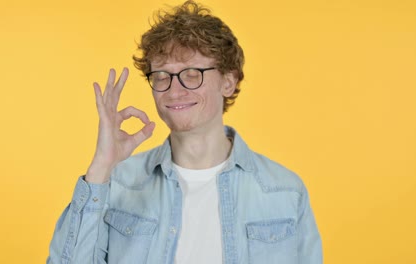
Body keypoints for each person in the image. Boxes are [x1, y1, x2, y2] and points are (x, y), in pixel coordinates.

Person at [47, 1, 322, 263]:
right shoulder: (115, 183)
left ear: (228, 82)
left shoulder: (284, 191)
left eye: (192, 73)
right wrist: (101, 167)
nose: (174, 90)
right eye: (161, 76)